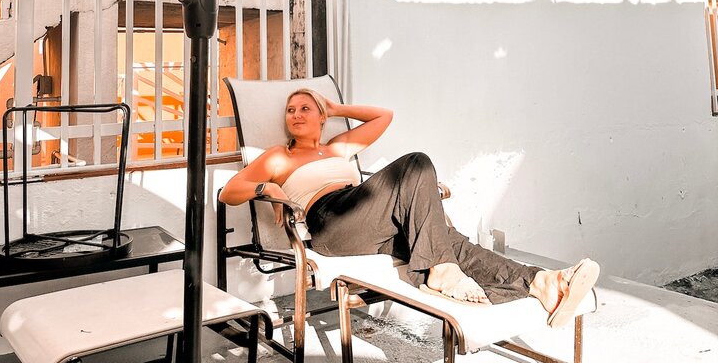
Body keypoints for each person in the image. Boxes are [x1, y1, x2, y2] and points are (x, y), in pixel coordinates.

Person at [219, 89, 599, 326]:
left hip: (367, 219)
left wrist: (335, 107)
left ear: (322, 117)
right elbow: (229, 192)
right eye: (291, 110)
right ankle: (443, 271)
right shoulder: (279, 156)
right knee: (416, 163)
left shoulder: (338, 147)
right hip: (331, 221)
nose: (297, 114)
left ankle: (543, 283)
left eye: (306, 107)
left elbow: (384, 116)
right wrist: (267, 185)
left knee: (449, 243)